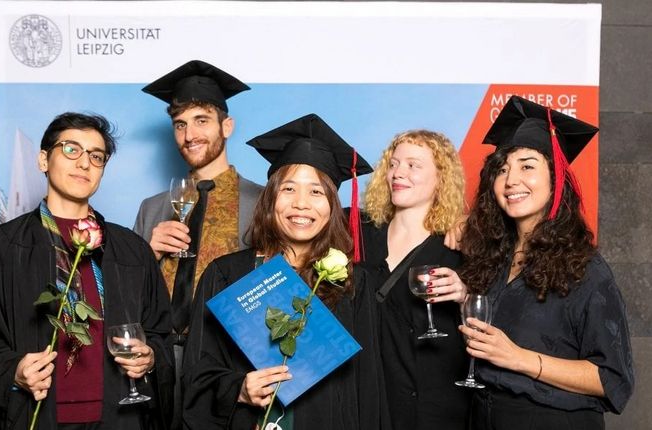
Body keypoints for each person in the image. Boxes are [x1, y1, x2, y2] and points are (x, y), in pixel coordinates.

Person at [0, 112, 173, 430]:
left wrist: (151, 356)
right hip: (38, 418)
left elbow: (161, 333)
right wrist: (14, 369)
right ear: (42, 160)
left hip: (119, 419)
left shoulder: (132, 250)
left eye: (96, 156)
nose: (84, 163)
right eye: (71, 149)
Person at [182, 114, 387, 430]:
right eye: (288, 189)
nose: (301, 204)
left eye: (316, 192)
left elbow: (368, 387)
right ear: (270, 199)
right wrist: (237, 388)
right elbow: (197, 373)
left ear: (332, 206)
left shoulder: (353, 282)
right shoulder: (227, 275)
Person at [456, 95, 634, 429]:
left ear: (556, 178)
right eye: (502, 170)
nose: (511, 181)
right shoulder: (492, 258)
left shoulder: (584, 267)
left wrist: (518, 358)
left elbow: (612, 378)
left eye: (527, 166)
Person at [134, 60, 264, 429]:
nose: (190, 134)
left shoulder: (265, 202)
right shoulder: (153, 207)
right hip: (159, 367)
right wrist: (148, 252)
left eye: (201, 120)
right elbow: (121, 294)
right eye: (180, 124)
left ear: (227, 126)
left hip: (225, 366)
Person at [360, 130, 471, 430]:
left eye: (413, 165)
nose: (399, 173)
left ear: (441, 178)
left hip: (434, 410)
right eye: (394, 164)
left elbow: (488, 320)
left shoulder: (457, 246)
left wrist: (465, 296)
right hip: (369, 402)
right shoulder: (360, 233)